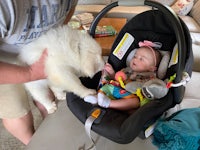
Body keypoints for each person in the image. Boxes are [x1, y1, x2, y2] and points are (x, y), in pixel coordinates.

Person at [0, 0, 78, 145]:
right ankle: (34, 144)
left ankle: (55, 138)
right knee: (17, 111)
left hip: (37, 50)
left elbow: (70, 9)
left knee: (48, 99)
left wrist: (55, 34)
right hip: (4, 60)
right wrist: (30, 73)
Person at [84, 41, 162, 113]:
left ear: (152, 68)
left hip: (132, 97)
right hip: (117, 91)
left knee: (135, 102)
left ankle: (109, 104)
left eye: (141, 59)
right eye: (135, 56)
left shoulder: (151, 77)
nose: (135, 59)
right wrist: (112, 73)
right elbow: (117, 79)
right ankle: (97, 98)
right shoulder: (127, 70)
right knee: (106, 80)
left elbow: (150, 90)